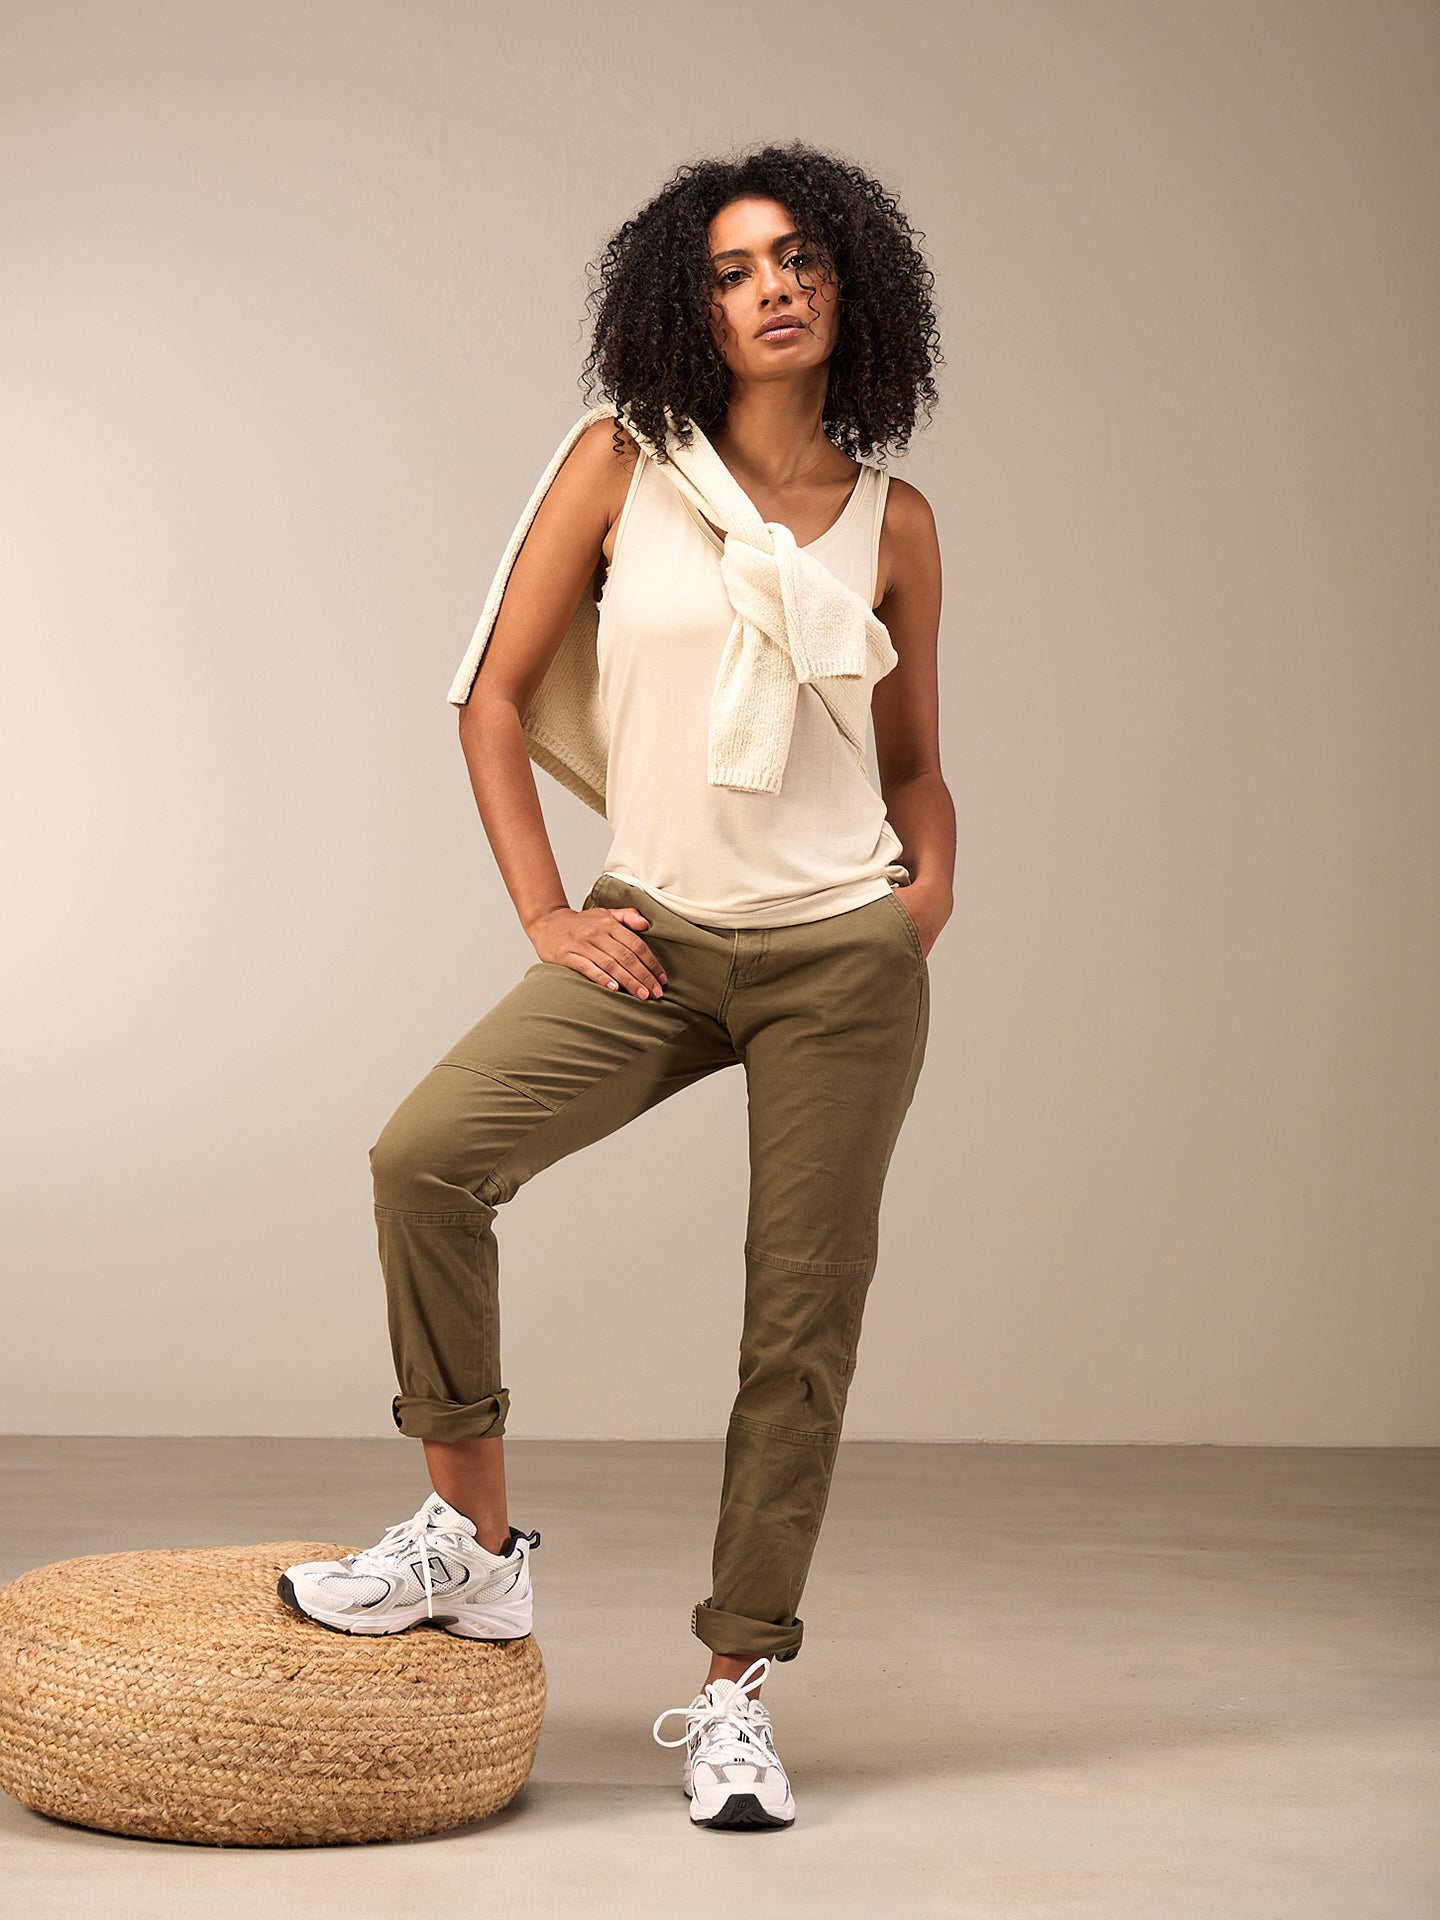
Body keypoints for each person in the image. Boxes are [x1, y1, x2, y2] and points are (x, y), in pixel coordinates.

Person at [279, 138, 953, 1833]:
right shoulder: (619, 462)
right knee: (427, 1159)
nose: (772, 289)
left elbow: (916, 764)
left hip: (839, 958)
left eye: (797, 258)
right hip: (655, 932)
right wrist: (543, 912)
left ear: (850, 282)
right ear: (686, 304)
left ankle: (734, 1694)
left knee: (797, 1326)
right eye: (732, 270)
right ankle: (473, 1550)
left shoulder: (898, 523)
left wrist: (922, 898)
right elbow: (492, 699)